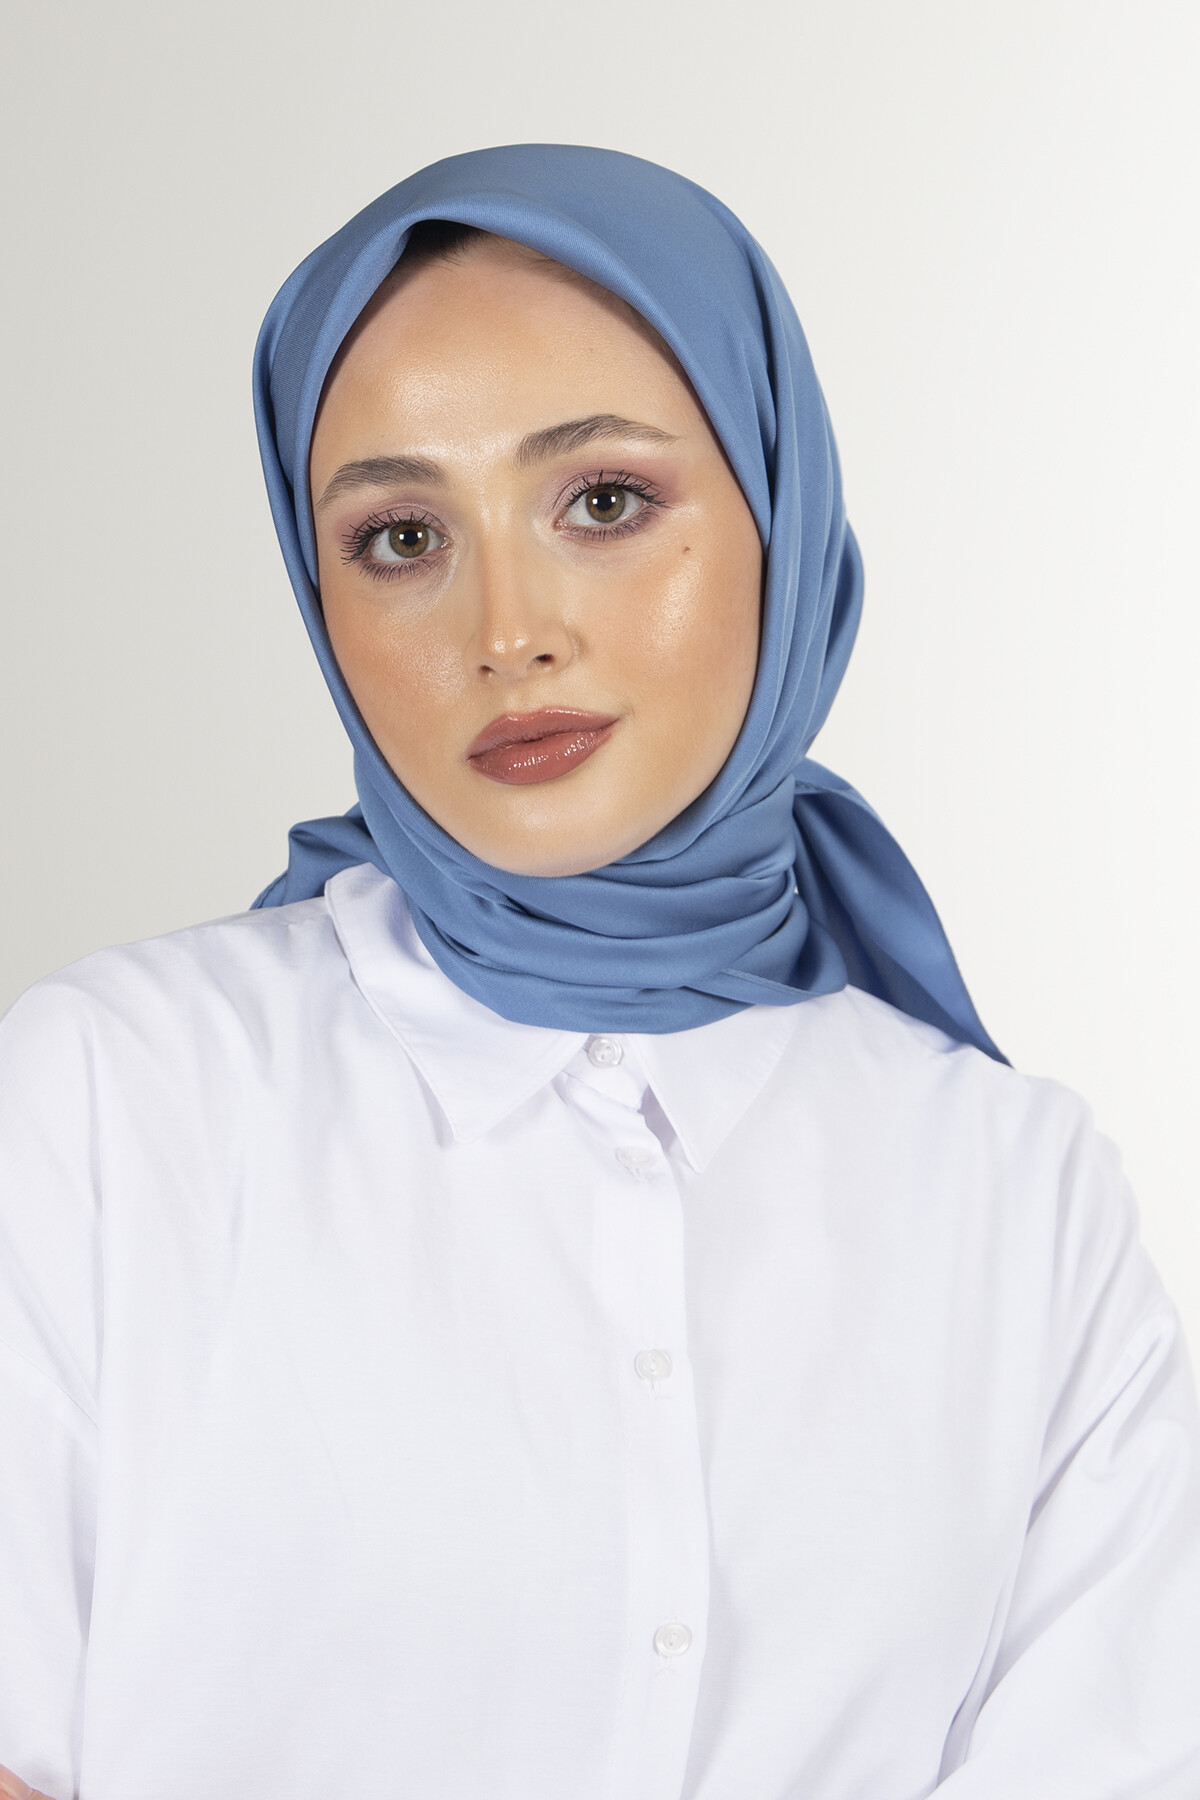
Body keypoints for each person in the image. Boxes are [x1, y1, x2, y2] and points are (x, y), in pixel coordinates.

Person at [0, 144, 1197, 1800]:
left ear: (782, 510)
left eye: (605, 504)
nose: (508, 630)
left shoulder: (1014, 1187)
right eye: (400, 536)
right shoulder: (109, 1102)